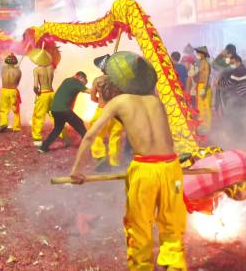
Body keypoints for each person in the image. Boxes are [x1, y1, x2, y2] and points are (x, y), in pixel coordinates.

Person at [69, 52, 186, 271]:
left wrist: (76, 170)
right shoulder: (155, 101)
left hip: (145, 170)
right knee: (172, 227)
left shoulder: (119, 101)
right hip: (173, 170)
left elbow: (90, 136)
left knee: (139, 228)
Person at [38, 72, 90, 153]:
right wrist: (99, 87)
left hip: (55, 109)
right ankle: (89, 146)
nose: (83, 84)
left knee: (58, 129)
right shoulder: (77, 82)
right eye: (83, 81)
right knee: (79, 124)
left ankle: (43, 147)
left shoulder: (67, 80)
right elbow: (89, 91)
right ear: (81, 77)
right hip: (64, 110)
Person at [88, 54, 123, 171]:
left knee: (96, 135)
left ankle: (100, 156)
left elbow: (92, 98)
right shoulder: (118, 80)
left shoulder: (97, 80)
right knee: (115, 137)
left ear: (102, 68)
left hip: (102, 110)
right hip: (115, 111)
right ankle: (114, 161)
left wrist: (101, 101)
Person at [29, 49, 55, 144]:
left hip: (43, 94)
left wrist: (37, 92)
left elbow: (36, 86)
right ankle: (62, 134)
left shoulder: (37, 70)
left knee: (38, 116)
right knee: (55, 116)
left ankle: (37, 138)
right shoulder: (51, 68)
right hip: (52, 93)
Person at [190, 46, 212, 132]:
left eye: (199, 53)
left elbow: (207, 77)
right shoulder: (199, 63)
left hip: (204, 87)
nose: (197, 54)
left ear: (203, 54)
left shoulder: (206, 63)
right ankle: (202, 125)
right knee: (200, 107)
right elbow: (196, 77)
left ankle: (207, 127)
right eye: (197, 53)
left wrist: (204, 89)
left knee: (206, 107)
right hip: (199, 86)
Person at [0, 53, 21, 133]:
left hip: (4, 90)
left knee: (3, 109)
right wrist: (17, 70)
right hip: (13, 90)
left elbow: (2, 77)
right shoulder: (18, 71)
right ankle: (16, 127)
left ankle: (3, 124)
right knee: (16, 110)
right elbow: (17, 82)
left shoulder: (3, 69)